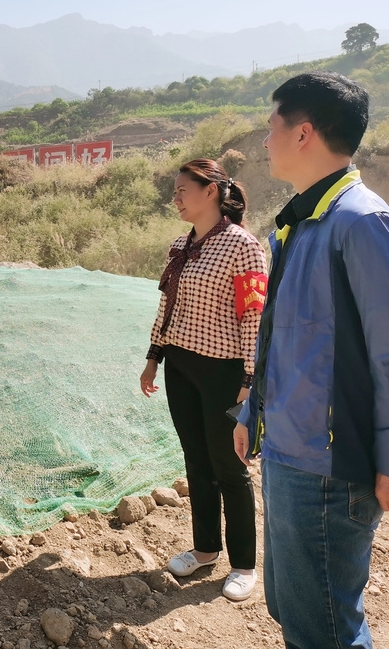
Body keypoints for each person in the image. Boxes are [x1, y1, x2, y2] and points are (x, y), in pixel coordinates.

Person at [234, 71, 389, 648]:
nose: (264, 140)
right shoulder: (300, 225)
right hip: (289, 450)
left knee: (323, 629)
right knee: (295, 610)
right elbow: (281, 339)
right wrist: (252, 415)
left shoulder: (360, 222)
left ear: (304, 134)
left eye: (272, 127)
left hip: (328, 467)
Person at [141, 158, 267, 602]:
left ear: (210, 191)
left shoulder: (243, 246)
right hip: (180, 365)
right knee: (196, 461)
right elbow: (167, 307)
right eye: (174, 191)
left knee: (229, 466)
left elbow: (254, 317)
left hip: (223, 372)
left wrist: (249, 378)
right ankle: (205, 548)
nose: (175, 198)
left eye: (182, 190)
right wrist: (154, 356)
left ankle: (244, 564)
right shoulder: (180, 245)